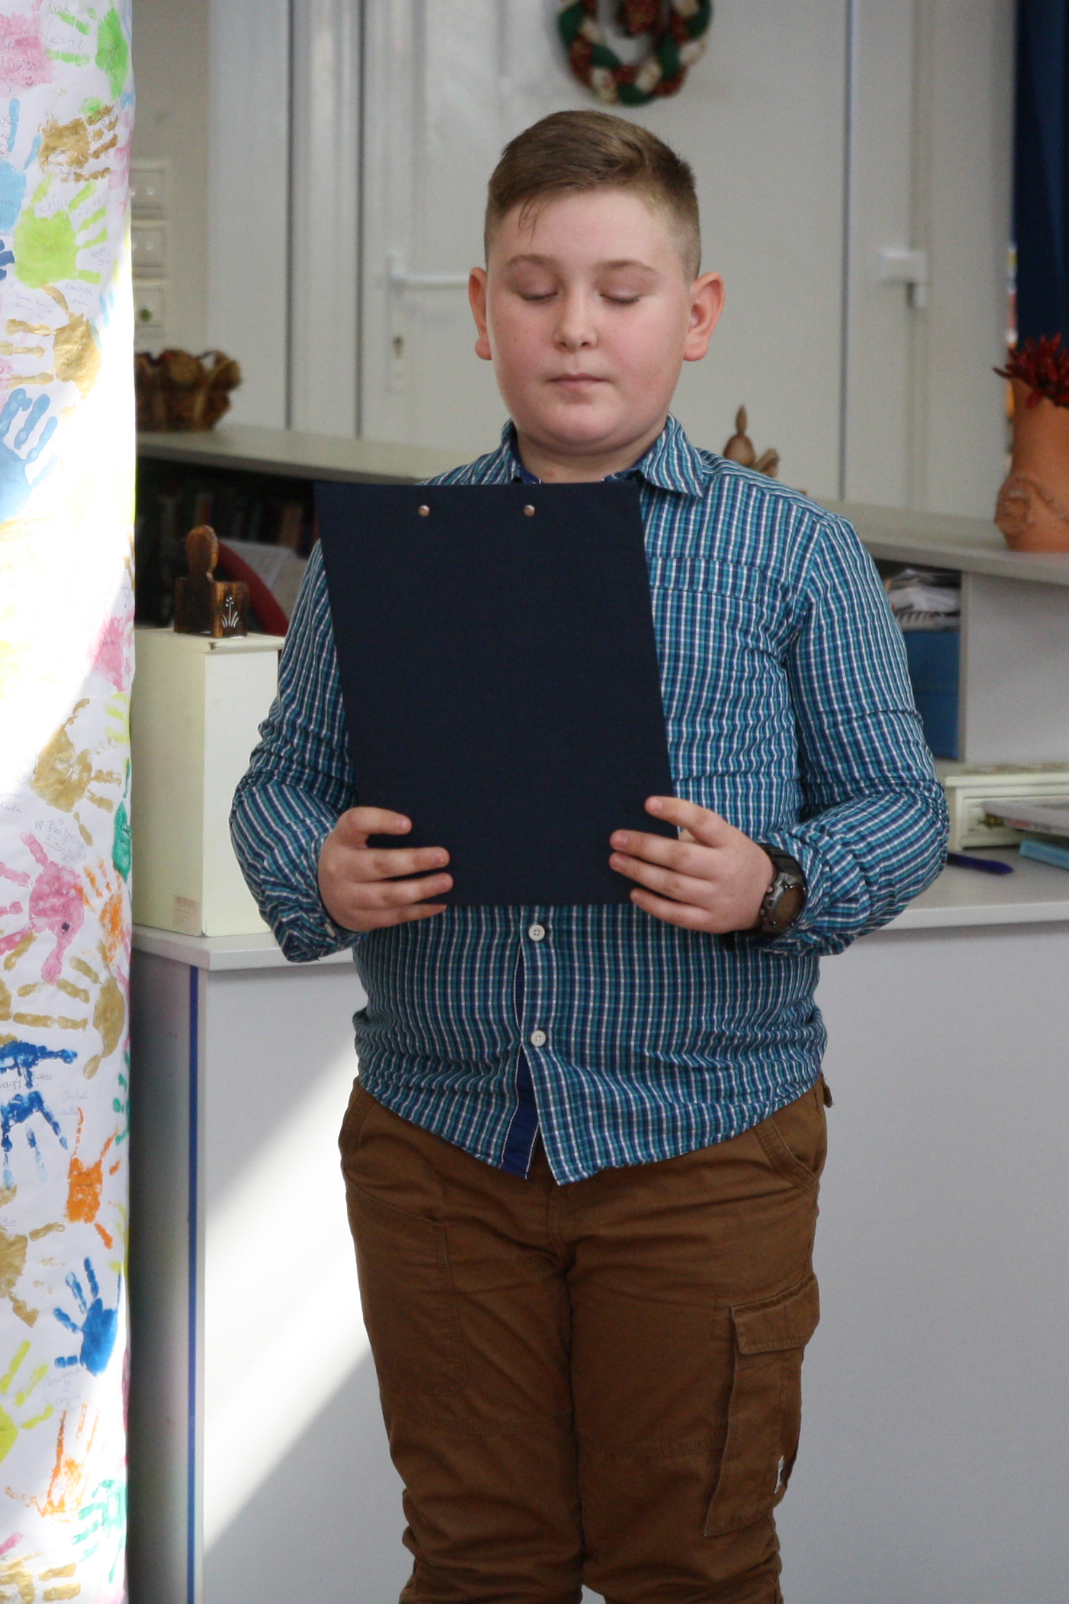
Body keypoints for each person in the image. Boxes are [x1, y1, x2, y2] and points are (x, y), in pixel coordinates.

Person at [231, 110, 948, 1604]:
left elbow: (899, 806)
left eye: (621, 291)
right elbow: (284, 785)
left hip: (702, 1148)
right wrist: (319, 870)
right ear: (481, 308)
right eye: (534, 287)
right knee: (476, 1560)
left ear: (695, 315)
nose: (575, 327)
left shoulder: (794, 554)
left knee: (689, 1560)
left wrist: (777, 886)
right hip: (440, 1145)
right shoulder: (390, 554)